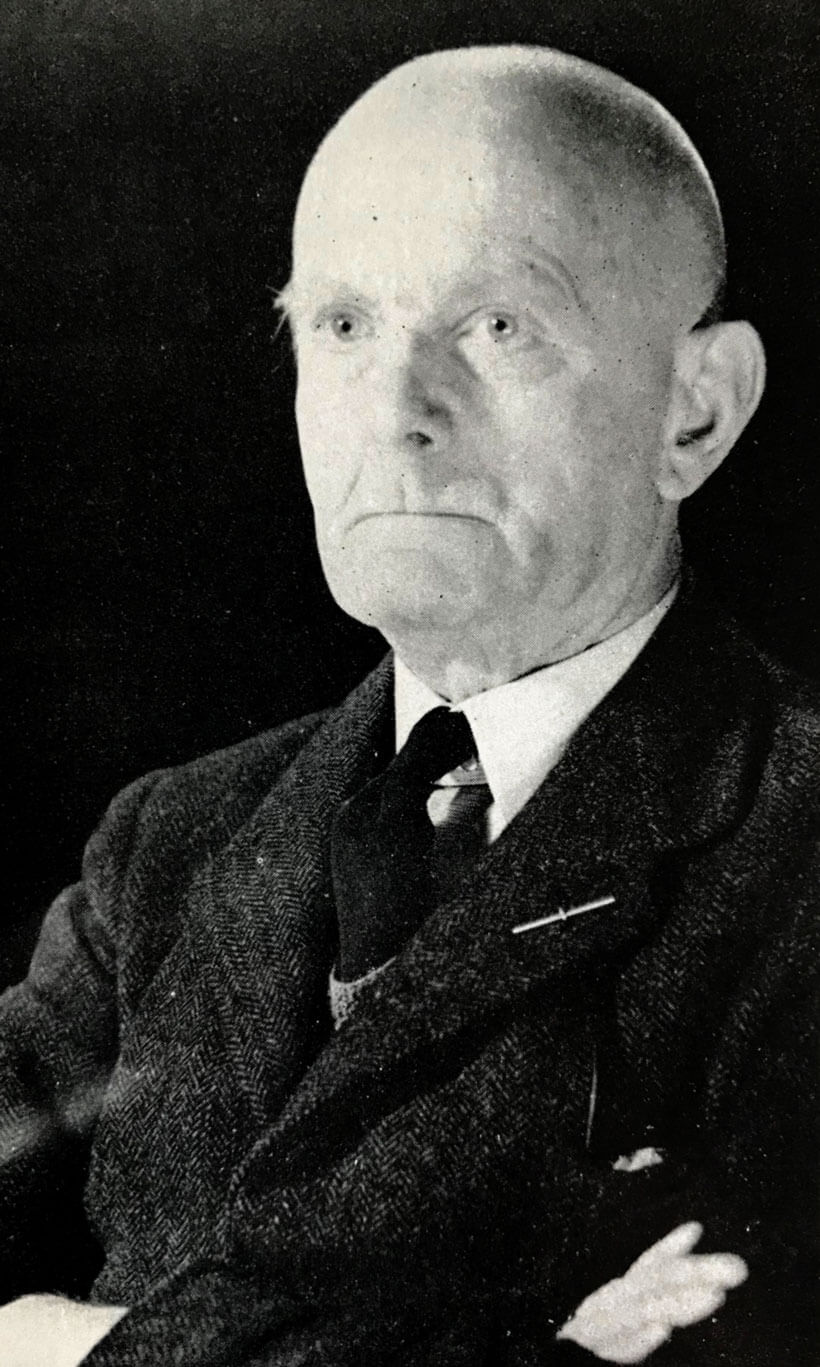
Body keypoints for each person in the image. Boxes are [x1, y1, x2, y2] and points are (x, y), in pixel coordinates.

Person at [0, 43, 817, 1367]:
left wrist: (61, 1344)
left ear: (696, 412)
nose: (396, 412)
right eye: (343, 326)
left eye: (500, 327)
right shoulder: (166, 850)